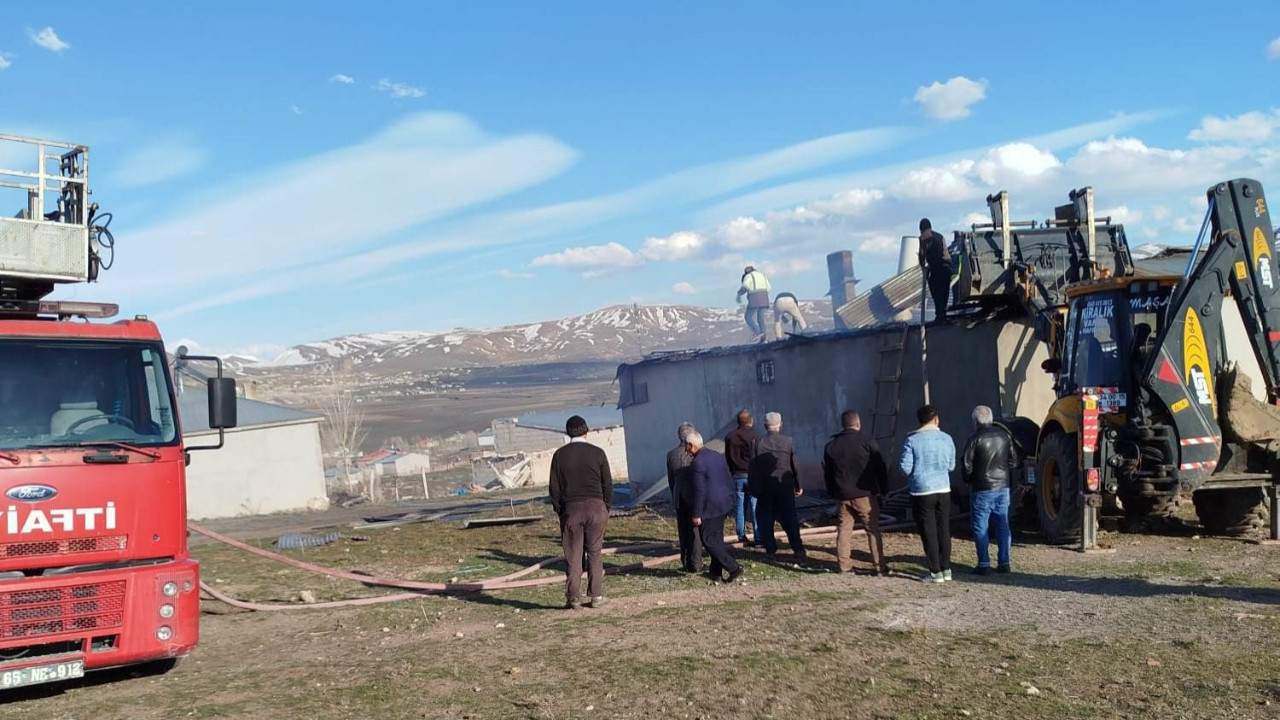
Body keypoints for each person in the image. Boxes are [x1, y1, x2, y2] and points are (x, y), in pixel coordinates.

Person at [548, 415, 614, 608]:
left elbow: (554, 488)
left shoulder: (559, 455)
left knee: (573, 555)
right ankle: (596, 596)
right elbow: (607, 484)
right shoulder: (598, 453)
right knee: (595, 552)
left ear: (567, 432)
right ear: (586, 431)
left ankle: (573, 597)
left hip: (571, 509)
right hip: (596, 508)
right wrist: (605, 507)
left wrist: (561, 511)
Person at [822, 411, 889, 575]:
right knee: (872, 529)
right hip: (865, 494)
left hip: (842, 494)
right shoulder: (867, 441)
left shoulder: (831, 446)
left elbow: (828, 473)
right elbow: (880, 467)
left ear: (843, 425)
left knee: (844, 530)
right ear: (858, 424)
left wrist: (832, 492)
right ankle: (879, 566)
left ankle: (844, 566)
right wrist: (884, 489)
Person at [899, 404, 955, 583]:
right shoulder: (947, 438)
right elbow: (951, 466)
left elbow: (905, 467)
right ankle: (946, 568)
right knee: (943, 528)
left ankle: (935, 571)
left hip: (922, 490)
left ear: (919, 421)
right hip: (943, 488)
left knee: (928, 530)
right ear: (936, 419)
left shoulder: (912, 440)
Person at [962, 405, 1017, 575]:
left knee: (980, 526)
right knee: (1003, 524)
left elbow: (967, 465)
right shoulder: (1005, 436)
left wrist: (968, 481)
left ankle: (984, 563)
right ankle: (1004, 562)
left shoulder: (974, 439)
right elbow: (1013, 461)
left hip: (982, 487)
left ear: (975, 421)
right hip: (1002, 486)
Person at [686, 431, 743, 583]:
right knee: (717, 539)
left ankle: (733, 567)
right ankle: (715, 571)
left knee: (708, 540)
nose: (686, 450)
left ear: (691, 445)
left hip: (709, 506)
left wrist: (696, 514)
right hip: (723, 503)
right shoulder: (717, 455)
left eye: (686, 446)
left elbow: (699, 490)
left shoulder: (697, 463)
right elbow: (726, 477)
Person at [749, 412, 806, 558]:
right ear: (780, 425)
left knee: (765, 519)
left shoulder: (757, 443)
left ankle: (770, 548)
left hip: (765, 487)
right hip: (784, 486)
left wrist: (754, 488)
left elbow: (753, 468)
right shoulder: (788, 441)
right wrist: (798, 485)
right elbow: (795, 465)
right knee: (790, 518)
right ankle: (798, 548)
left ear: (765, 426)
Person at [666, 421, 703, 573]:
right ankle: (696, 563)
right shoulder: (695, 453)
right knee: (695, 531)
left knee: (683, 529)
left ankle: (685, 560)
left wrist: (674, 494)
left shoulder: (671, 454)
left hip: (679, 494)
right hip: (694, 494)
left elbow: (671, 479)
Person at [724, 409, 761, 546]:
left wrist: (732, 471)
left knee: (740, 506)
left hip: (737, 475)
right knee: (755, 506)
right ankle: (759, 537)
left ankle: (741, 535)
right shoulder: (756, 436)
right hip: (753, 476)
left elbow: (728, 457)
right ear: (751, 421)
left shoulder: (729, 437)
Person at [918, 219, 952, 320]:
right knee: (944, 292)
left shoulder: (924, 238)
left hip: (937, 268)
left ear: (921, 230)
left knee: (936, 292)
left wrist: (923, 267)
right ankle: (942, 314)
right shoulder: (940, 236)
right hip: (947, 267)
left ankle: (940, 315)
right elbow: (946, 253)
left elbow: (922, 254)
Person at [736, 265, 772, 342]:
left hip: (754, 298)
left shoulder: (748, 276)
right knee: (760, 317)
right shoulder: (762, 275)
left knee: (748, 316)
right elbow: (769, 287)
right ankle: (763, 338)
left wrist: (739, 294)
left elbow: (745, 286)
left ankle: (757, 332)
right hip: (765, 297)